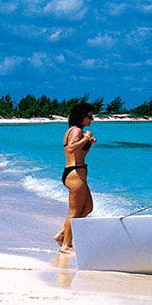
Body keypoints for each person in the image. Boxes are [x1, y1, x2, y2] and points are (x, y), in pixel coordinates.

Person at [54, 103, 96, 253]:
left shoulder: (76, 131)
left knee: (87, 208)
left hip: (77, 173)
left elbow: (80, 155)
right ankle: (66, 245)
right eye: (89, 116)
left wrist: (88, 144)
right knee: (74, 212)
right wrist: (86, 138)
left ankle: (62, 235)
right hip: (74, 174)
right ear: (81, 117)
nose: (92, 119)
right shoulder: (76, 130)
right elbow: (71, 148)